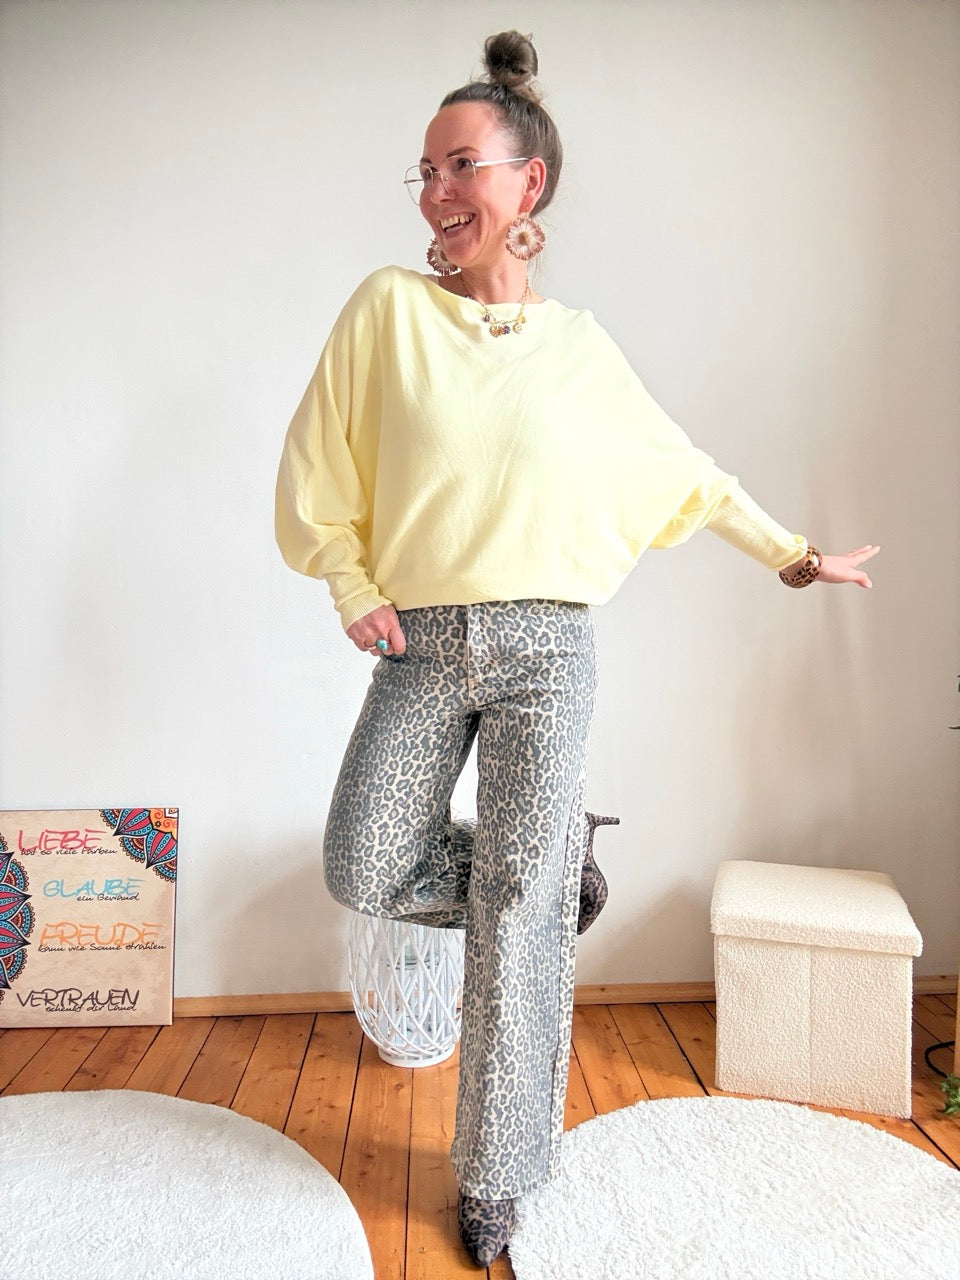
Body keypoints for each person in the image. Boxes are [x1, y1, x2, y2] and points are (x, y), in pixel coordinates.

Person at [275, 30, 879, 1267]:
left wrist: (796, 553)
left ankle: (498, 1174)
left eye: (462, 166)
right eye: (426, 171)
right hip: (423, 641)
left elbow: (689, 473)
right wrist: (351, 581)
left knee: (515, 907)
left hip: (550, 649)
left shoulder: (582, 351)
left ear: (527, 183)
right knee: (367, 857)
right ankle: (556, 883)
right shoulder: (388, 310)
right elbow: (317, 462)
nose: (437, 193)